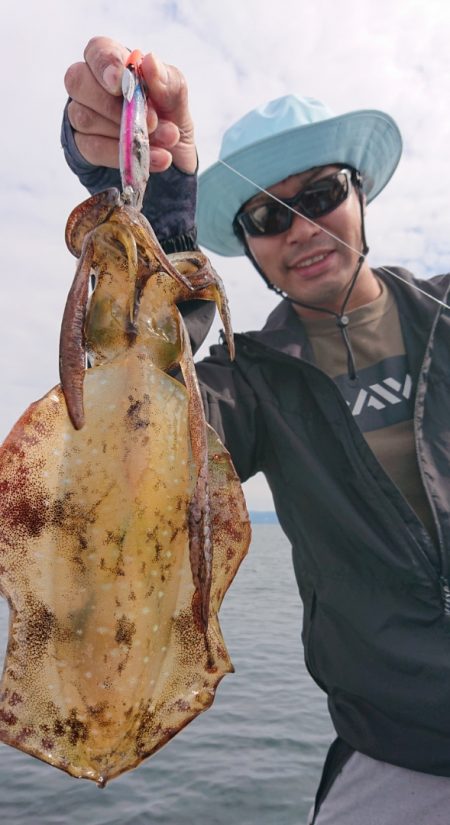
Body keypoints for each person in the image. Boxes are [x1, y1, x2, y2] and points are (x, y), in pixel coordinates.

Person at [62, 37, 450, 825]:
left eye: (321, 194)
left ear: (361, 192)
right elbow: (137, 439)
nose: (301, 228)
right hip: (400, 751)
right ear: (251, 249)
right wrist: (155, 231)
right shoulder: (251, 389)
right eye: (267, 216)